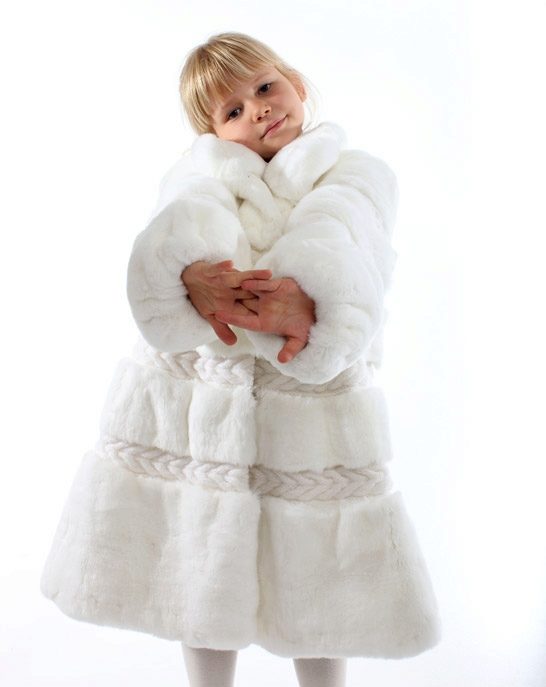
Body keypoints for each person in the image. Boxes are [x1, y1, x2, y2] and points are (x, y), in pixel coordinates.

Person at [40, 31, 441, 687]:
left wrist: (310, 299)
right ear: (213, 134)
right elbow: (180, 223)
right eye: (232, 110)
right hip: (204, 397)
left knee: (320, 562)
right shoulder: (199, 175)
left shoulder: (356, 174)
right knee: (201, 550)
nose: (258, 109)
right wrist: (188, 272)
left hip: (310, 407)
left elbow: (347, 238)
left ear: (296, 84)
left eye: (264, 87)